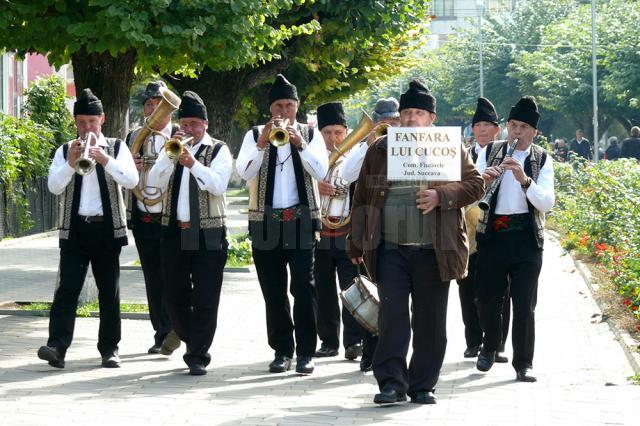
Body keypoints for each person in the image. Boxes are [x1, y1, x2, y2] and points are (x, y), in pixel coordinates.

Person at [347, 80, 484, 404]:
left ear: (430, 118)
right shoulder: (380, 149)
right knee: (392, 317)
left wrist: (441, 195)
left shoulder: (449, 147)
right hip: (390, 249)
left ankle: (423, 384)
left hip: (433, 250)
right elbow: (363, 197)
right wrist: (355, 243)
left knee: (430, 319)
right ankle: (391, 383)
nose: (410, 119)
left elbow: (475, 184)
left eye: (418, 113)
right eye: (406, 112)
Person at [38, 88, 138, 369]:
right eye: (81, 122)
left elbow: (131, 180)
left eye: (91, 122)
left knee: (110, 291)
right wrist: (71, 164)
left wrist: (105, 159)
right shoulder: (64, 150)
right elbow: (54, 187)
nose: (86, 128)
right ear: (75, 123)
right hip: (75, 229)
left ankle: (110, 349)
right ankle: (57, 347)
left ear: (102, 120)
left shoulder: (117, 147)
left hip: (107, 228)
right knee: (66, 290)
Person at [236, 74, 328, 375]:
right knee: (272, 290)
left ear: (297, 106)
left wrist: (300, 144)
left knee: (303, 286)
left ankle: (305, 352)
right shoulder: (253, 136)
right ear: (270, 109)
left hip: (300, 221)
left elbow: (320, 170)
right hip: (266, 222)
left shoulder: (311, 135)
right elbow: (244, 172)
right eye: (278, 106)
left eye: (289, 105)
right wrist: (263, 143)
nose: (284, 112)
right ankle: (281, 350)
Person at [146, 91, 233, 376]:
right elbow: (154, 182)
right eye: (185, 124)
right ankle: (188, 337)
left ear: (205, 125)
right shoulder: (171, 149)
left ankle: (197, 355)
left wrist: (192, 163)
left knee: (206, 298)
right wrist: (170, 158)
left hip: (208, 233)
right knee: (173, 295)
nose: (189, 130)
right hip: (174, 232)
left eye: (195, 124)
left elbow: (217, 185)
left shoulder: (219, 150)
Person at [474, 96, 555, 383]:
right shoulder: (491, 151)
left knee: (524, 304)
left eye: (522, 127)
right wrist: (483, 181)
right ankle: (489, 346)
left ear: (534, 131)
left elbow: (546, 203)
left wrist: (524, 179)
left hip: (526, 238)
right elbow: (471, 194)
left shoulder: (542, 158)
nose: (516, 132)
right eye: (512, 125)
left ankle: (524, 363)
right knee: (488, 298)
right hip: (493, 235)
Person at [339, 97, 401, 372]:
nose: (389, 126)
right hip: (372, 228)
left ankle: (391, 355)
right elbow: (345, 175)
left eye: (394, 122)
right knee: (373, 292)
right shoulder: (367, 147)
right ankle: (370, 353)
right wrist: (368, 144)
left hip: (400, 226)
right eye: (382, 122)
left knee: (395, 300)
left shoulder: (410, 147)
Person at [125, 81, 179, 355]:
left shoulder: (180, 135)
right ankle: (161, 333)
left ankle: (177, 327)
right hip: (145, 216)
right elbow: (121, 177)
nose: (154, 109)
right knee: (153, 279)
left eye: (159, 104)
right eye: (149, 104)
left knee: (174, 276)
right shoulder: (133, 137)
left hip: (171, 217)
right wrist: (130, 167)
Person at [457, 97, 511, 363]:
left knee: (499, 291)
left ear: (496, 130)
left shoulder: (505, 153)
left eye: (487, 125)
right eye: (477, 125)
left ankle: (497, 343)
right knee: (466, 287)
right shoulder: (463, 153)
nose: (481, 130)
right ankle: (473, 341)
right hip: (466, 229)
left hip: (494, 230)